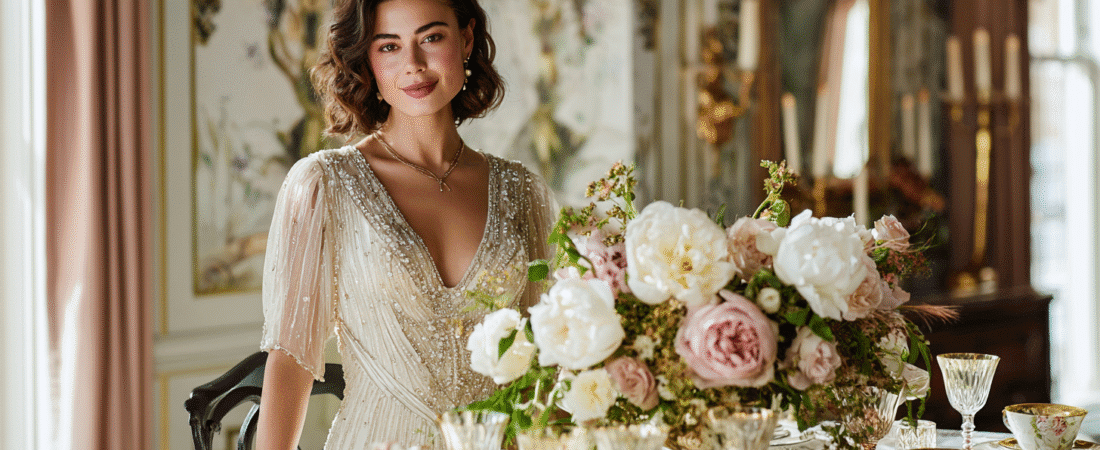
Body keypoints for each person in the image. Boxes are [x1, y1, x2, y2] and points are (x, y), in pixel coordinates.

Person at [254, 0, 557, 448]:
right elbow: (290, 361)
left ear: (467, 39)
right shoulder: (323, 185)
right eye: (389, 46)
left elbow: (546, 360)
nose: (413, 65)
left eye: (431, 38)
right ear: (367, 59)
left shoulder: (522, 193)